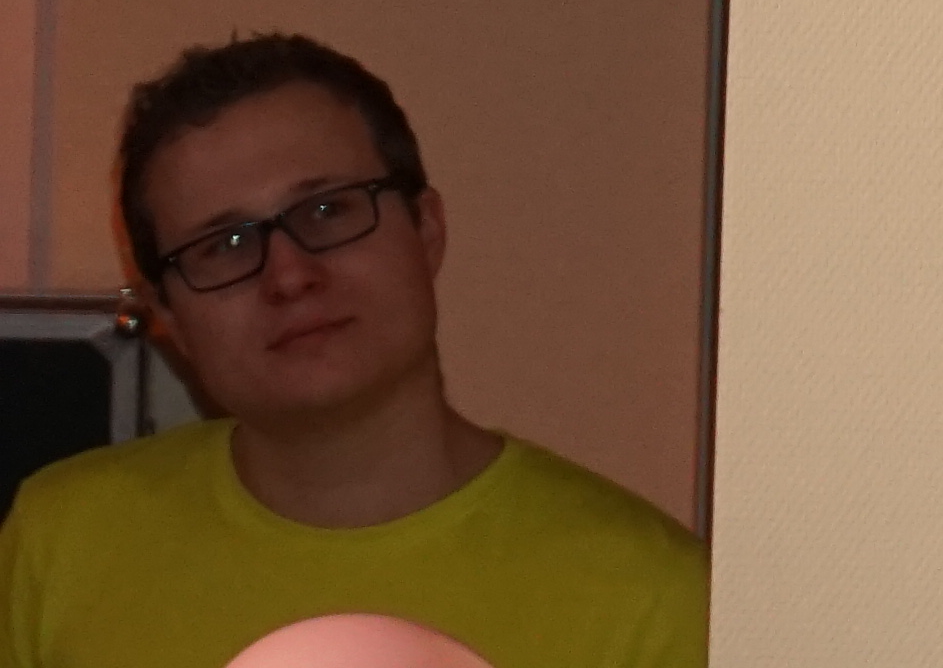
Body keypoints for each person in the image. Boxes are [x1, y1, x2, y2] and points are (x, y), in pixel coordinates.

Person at [0, 34, 704, 668]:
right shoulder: (63, 544)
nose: (290, 275)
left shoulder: (651, 598)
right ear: (170, 317)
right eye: (224, 245)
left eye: (327, 210)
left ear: (426, 230)